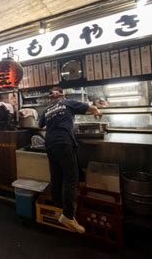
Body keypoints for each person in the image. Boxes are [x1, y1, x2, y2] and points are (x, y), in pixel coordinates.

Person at [38, 86, 101, 233]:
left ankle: (58, 205)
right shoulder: (68, 103)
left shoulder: (47, 110)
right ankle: (67, 215)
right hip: (63, 142)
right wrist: (98, 111)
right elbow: (91, 109)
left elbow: (39, 124)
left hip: (50, 143)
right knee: (70, 177)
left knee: (57, 176)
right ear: (62, 95)